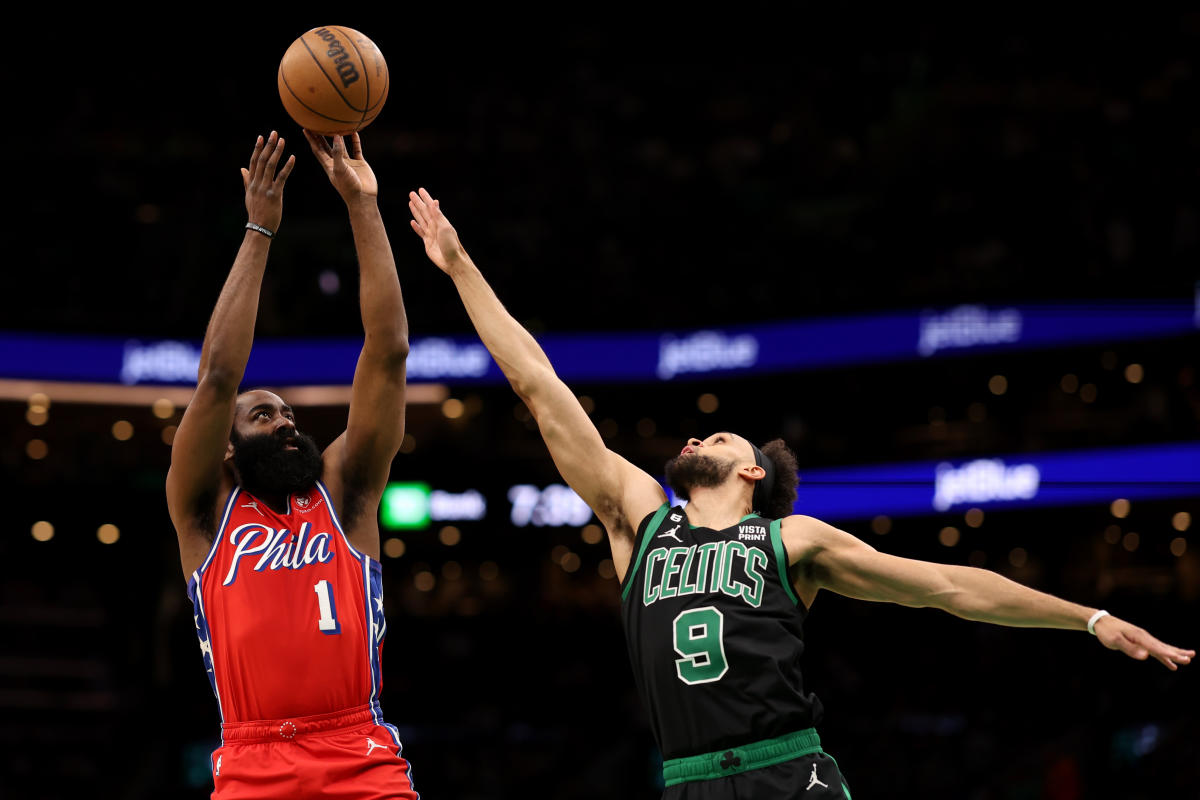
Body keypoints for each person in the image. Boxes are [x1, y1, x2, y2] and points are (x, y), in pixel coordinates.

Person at [406, 188, 1194, 799]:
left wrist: (1088, 618)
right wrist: (457, 261)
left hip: (790, 774)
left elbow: (951, 588)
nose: (692, 440)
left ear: (753, 473)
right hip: (687, 778)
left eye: (715, 439)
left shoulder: (793, 542)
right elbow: (538, 385)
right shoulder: (638, 519)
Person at [166, 130, 416, 799]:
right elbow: (218, 377)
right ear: (226, 443)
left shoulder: (345, 491)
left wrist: (363, 204)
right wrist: (259, 228)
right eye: (264, 416)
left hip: (360, 753)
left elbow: (388, 350)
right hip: (252, 761)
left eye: (289, 416)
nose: (286, 424)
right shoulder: (206, 509)